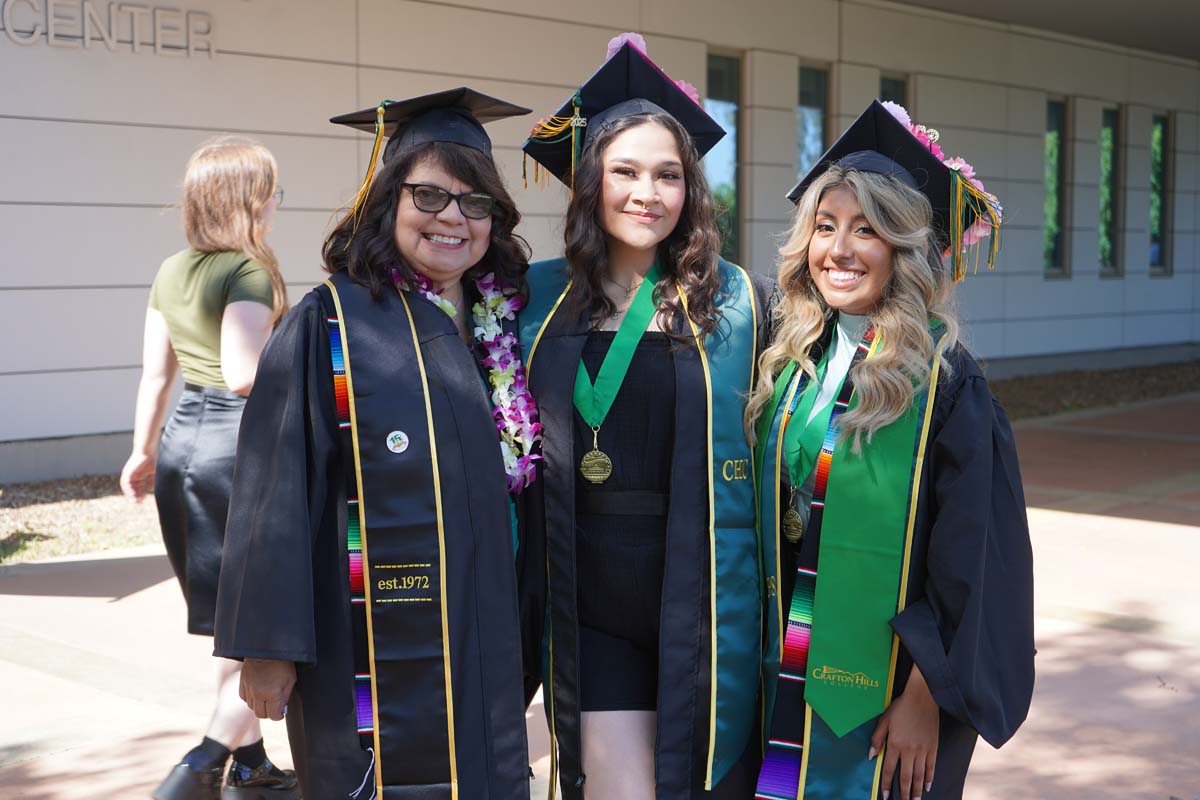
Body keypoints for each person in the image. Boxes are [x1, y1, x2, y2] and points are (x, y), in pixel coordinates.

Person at [213, 88, 540, 800]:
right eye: (429, 195)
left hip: (485, 629)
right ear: (387, 199)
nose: (452, 217)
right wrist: (267, 649)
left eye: (474, 202)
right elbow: (275, 490)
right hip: (361, 643)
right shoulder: (330, 324)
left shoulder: (505, 330)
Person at [746, 100, 1035, 800]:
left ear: (903, 247)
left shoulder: (943, 380)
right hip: (782, 665)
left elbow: (973, 559)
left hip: (886, 699)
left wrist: (926, 697)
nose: (839, 250)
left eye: (867, 230)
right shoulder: (790, 359)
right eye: (826, 226)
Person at [518, 34, 777, 800]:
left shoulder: (741, 303)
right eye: (625, 171)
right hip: (586, 597)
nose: (647, 192)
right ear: (591, 180)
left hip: (699, 594)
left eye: (668, 175)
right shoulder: (528, 299)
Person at [118, 136, 298, 799]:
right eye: (273, 192)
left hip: (181, 451)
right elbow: (244, 372)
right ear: (250, 200)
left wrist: (141, 452)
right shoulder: (249, 271)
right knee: (258, 627)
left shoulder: (172, 268)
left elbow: (154, 375)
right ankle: (197, 767)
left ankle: (249, 767)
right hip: (235, 453)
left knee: (227, 628)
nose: (277, 204)